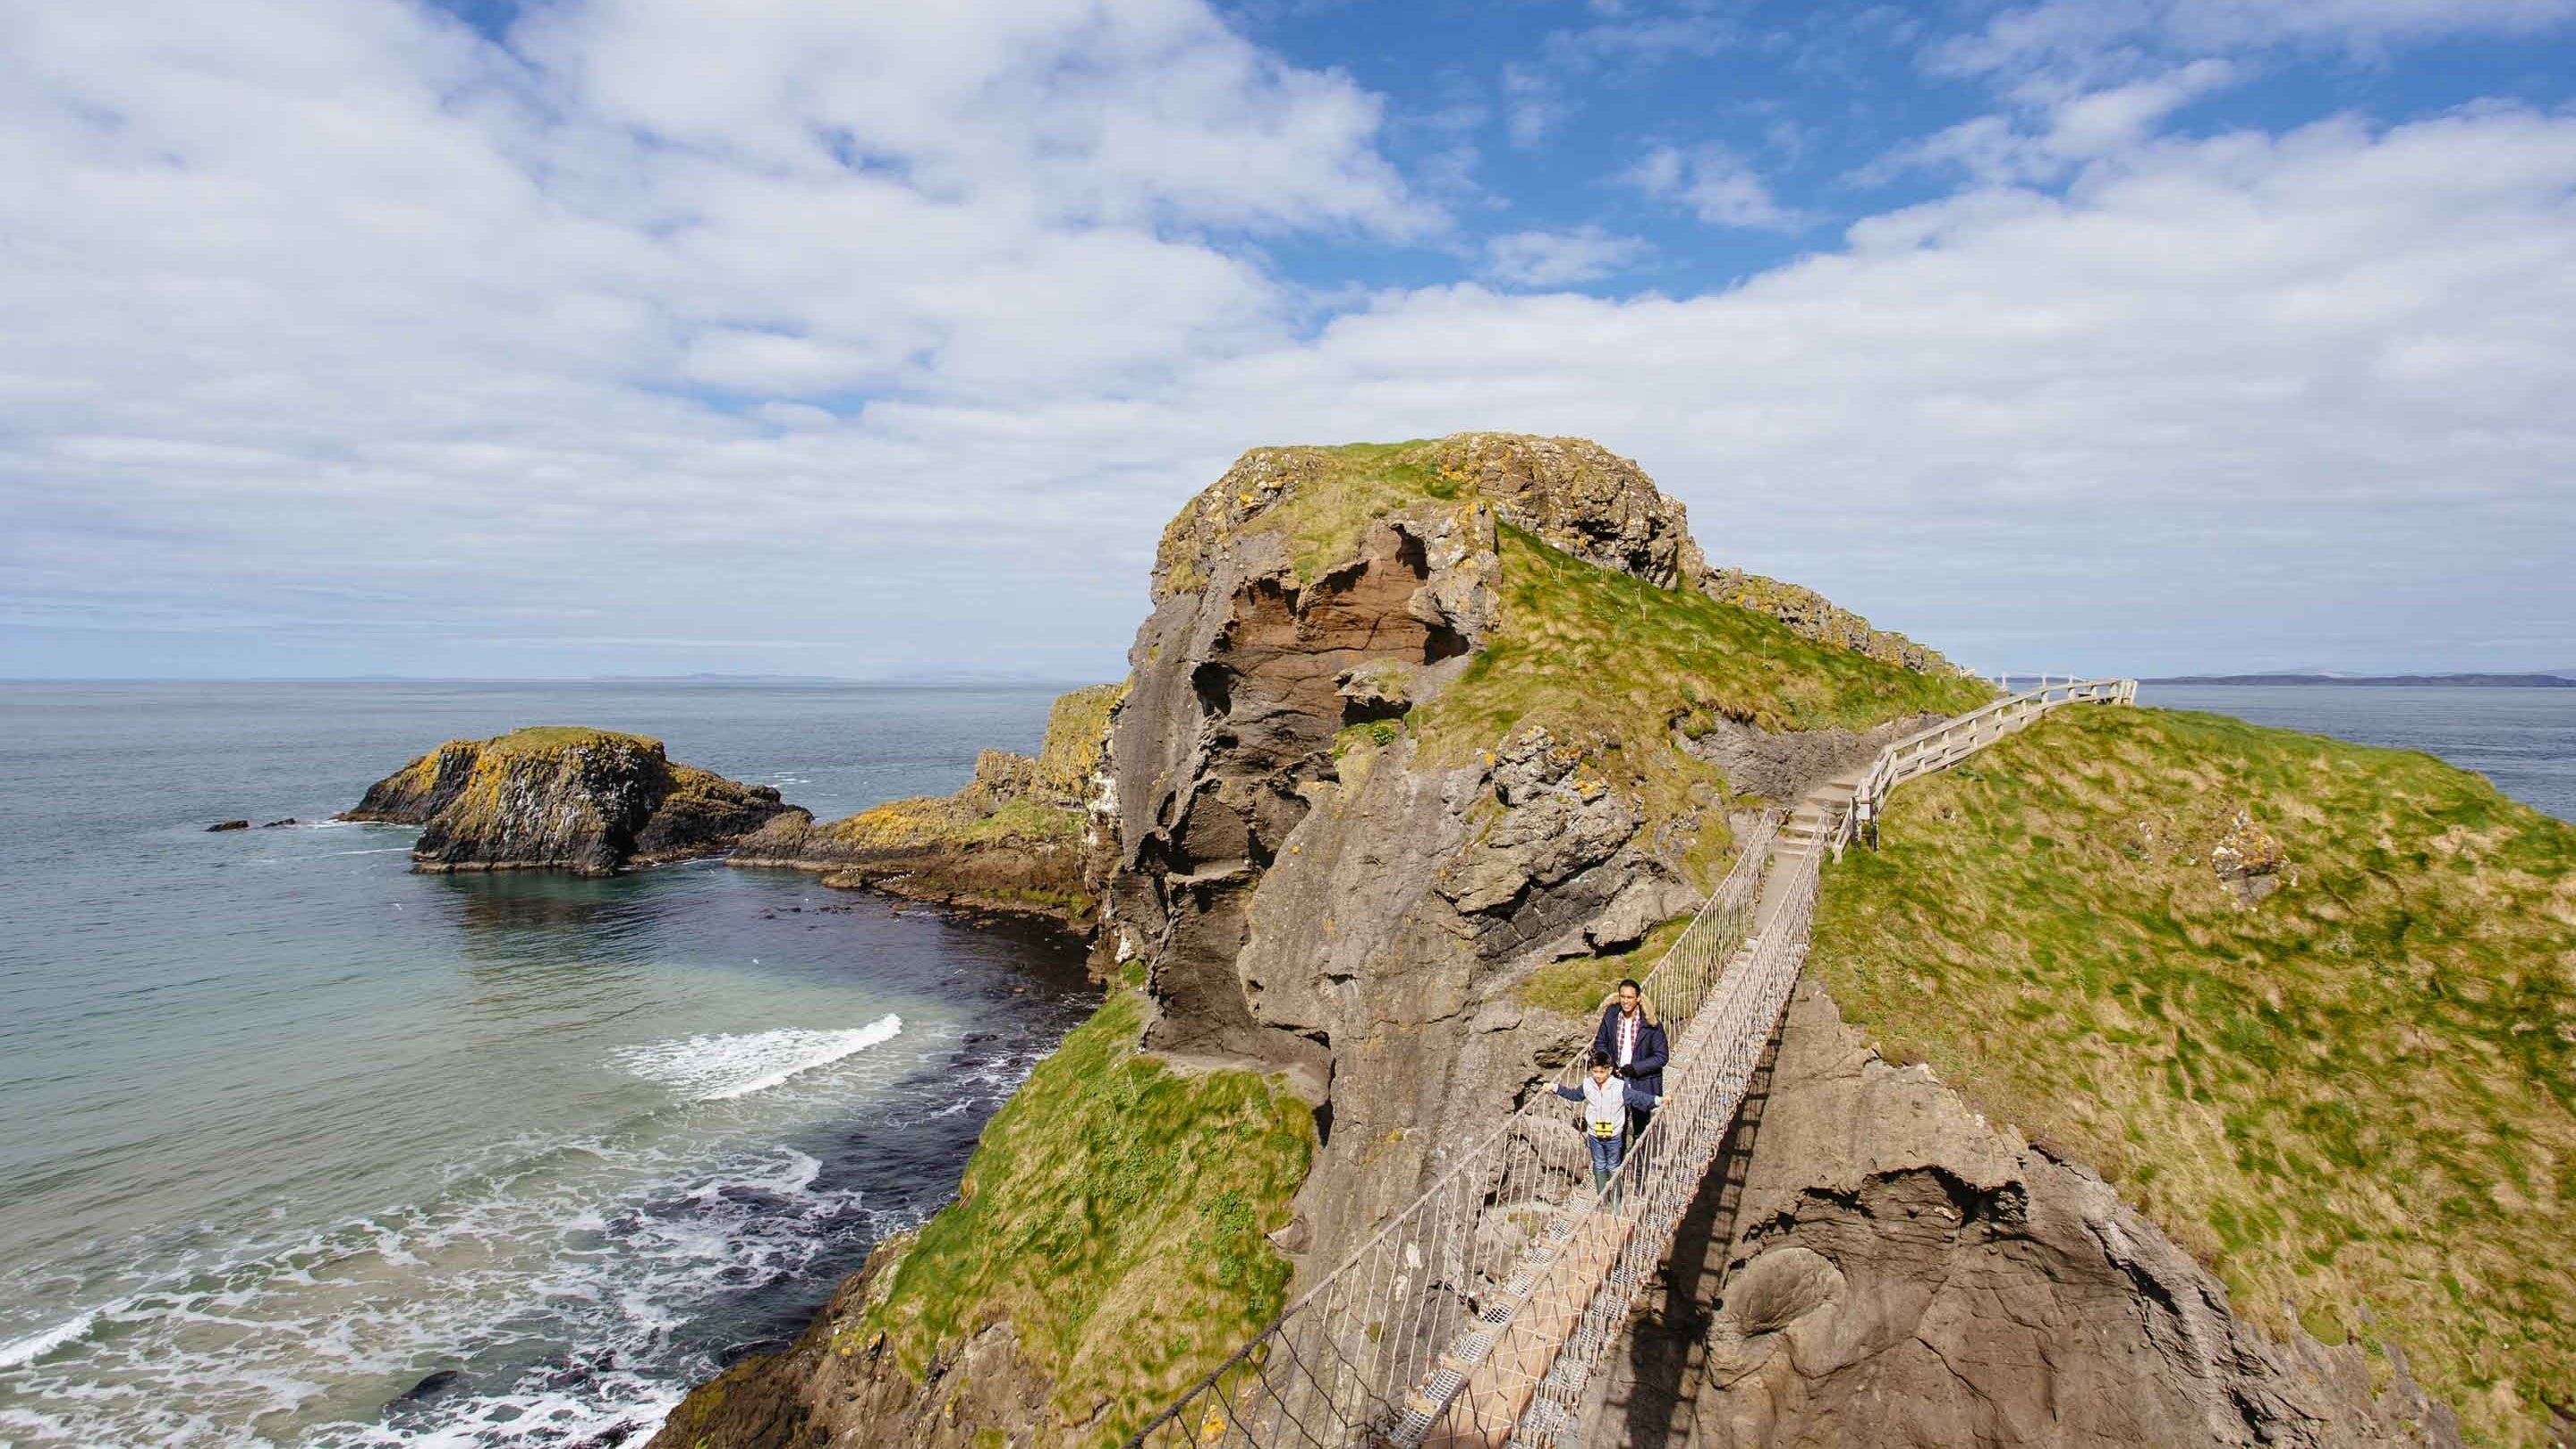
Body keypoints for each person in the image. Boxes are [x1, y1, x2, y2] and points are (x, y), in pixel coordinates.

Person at [1554, 1050, 1657, 1195]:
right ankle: (1602, 1199)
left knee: (1614, 1166)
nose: (1598, 1075)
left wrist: (1657, 1100)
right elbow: (1574, 1095)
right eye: (1594, 1072)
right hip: (1594, 1134)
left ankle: (1616, 1200)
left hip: (1614, 1135)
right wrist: (1555, 1088)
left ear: (1609, 1070)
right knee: (1600, 1164)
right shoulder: (1588, 1084)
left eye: (1601, 1072)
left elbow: (1637, 1098)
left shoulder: (1619, 1086)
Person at [1591, 978, 1667, 1137]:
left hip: (1641, 1080)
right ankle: (1617, 1159)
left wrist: (1634, 1069)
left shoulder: (1651, 1023)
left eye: (1630, 997)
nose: (1626, 1001)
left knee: (1641, 1124)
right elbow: (1600, 1042)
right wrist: (1610, 1064)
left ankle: (1639, 1157)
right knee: (1615, 1122)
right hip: (1615, 1077)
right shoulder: (1611, 1016)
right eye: (1623, 997)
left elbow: (1661, 1056)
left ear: (1638, 998)